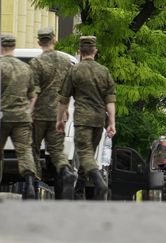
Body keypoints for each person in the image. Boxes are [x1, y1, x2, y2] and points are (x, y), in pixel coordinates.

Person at [56, 36, 116, 200]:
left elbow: (64, 98)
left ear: (80, 52)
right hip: (98, 120)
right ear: (95, 51)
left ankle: (99, 182)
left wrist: (59, 119)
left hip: (82, 120)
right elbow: (110, 100)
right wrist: (111, 122)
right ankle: (79, 191)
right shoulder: (104, 71)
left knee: (85, 154)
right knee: (88, 154)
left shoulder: (74, 70)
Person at [29, 27, 77, 200]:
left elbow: (34, 90)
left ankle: (32, 183)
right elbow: (69, 89)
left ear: (39, 42)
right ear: (54, 39)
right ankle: (65, 170)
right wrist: (65, 112)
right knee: (56, 150)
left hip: (39, 115)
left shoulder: (36, 63)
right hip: (58, 114)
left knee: (33, 149)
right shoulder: (65, 62)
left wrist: (30, 110)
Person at [0, 34, 38, 199]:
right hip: (22, 117)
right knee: (24, 151)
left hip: (3, 115)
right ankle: (29, 183)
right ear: (14, 47)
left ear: (2, 47)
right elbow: (33, 94)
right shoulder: (25, 68)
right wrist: (28, 111)